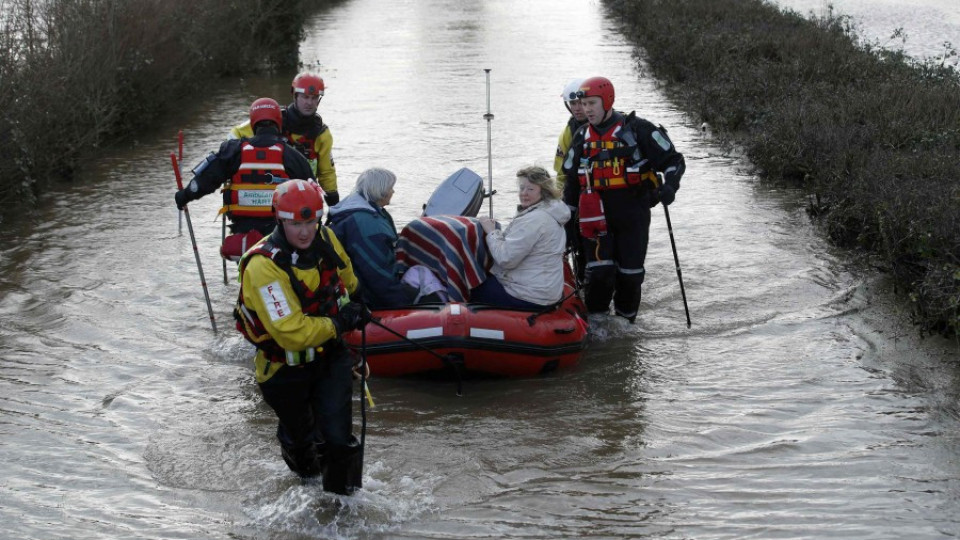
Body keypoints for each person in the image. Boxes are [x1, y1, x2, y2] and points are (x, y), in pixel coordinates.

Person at [234, 179, 369, 495]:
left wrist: (359, 301)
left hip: (329, 357)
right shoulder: (262, 267)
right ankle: (306, 485)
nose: (305, 231)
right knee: (301, 441)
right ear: (280, 219)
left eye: (310, 221)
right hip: (283, 370)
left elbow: (345, 272)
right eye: (296, 223)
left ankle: (344, 504)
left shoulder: (326, 237)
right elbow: (292, 333)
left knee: (338, 439)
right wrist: (339, 323)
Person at [561, 76, 686, 323]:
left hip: (632, 213)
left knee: (630, 275)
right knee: (598, 274)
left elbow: (674, 161)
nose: (586, 109)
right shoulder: (581, 137)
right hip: (595, 217)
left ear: (607, 101)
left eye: (592, 104)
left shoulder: (639, 130)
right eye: (583, 104)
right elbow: (572, 184)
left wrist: (670, 187)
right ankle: (596, 326)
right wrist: (566, 219)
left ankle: (626, 328)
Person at [174, 97, 316, 260]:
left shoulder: (233, 151)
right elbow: (312, 194)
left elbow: (205, 181)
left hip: (242, 240)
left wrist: (184, 196)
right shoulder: (293, 156)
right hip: (280, 238)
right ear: (279, 122)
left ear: (253, 122)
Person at [229, 72, 339, 207]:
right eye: (305, 97)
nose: (309, 102)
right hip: (268, 195)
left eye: (314, 97)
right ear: (295, 95)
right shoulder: (272, 120)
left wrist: (334, 206)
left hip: (302, 197)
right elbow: (234, 135)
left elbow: (326, 173)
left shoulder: (322, 134)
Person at [473, 166, 571, 309]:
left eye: (530, 189)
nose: (524, 194)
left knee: (469, 286)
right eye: (521, 188)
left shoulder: (535, 219)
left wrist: (492, 232)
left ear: (543, 191)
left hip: (528, 295)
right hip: (544, 291)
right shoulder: (552, 211)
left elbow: (506, 259)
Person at [327, 168, 421, 308]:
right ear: (381, 191)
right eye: (391, 188)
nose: (393, 192)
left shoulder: (356, 209)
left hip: (353, 283)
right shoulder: (367, 225)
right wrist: (403, 304)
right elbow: (377, 273)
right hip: (365, 297)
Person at [553, 78, 588, 191]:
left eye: (581, 103)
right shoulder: (568, 133)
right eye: (573, 103)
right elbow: (561, 173)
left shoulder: (615, 124)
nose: (577, 108)